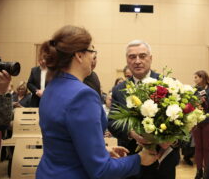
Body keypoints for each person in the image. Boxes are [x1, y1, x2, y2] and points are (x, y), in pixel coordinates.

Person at [36, 25, 157, 179]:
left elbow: (63, 142)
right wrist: (139, 159)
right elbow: (101, 170)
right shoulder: (83, 95)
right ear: (79, 55)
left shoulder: (51, 88)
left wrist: (101, 151)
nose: (93, 57)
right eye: (92, 51)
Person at [108, 40, 180, 179]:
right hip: (132, 160)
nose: (137, 61)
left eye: (142, 56)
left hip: (163, 160)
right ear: (127, 60)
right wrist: (132, 133)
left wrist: (172, 139)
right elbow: (112, 122)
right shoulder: (119, 90)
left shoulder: (168, 84)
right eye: (132, 57)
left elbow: (182, 120)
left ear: (150, 58)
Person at [192, 70, 209, 179]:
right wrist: (198, 100)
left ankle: (207, 171)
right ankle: (199, 171)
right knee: (198, 148)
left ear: (202, 77)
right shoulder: (195, 89)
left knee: (207, 148)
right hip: (197, 123)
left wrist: (202, 98)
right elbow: (191, 102)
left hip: (208, 122)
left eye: (196, 77)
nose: (195, 79)